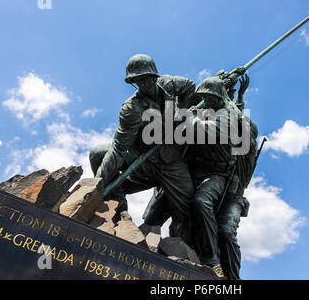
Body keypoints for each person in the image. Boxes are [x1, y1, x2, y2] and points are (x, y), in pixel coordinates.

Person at [89, 54, 197, 245]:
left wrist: (181, 113)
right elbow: (118, 149)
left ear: (154, 76)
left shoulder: (171, 85)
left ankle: (186, 251)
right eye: (137, 80)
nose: (142, 84)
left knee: (188, 206)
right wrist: (97, 184)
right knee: (98, 153)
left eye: (145, 78)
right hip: (142, 159)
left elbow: (190, 86)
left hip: (170, 161)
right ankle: (118, 207)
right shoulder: (132, 108)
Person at [186, 75, 257, 279]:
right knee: (197, 205)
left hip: (233, 192)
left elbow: (227, 119)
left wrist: (191, 118)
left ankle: (232, 278)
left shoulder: (236, 136)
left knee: (226, 232)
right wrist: (234, 89)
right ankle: (208, 258)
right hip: (212, 175)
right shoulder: (218, 113)